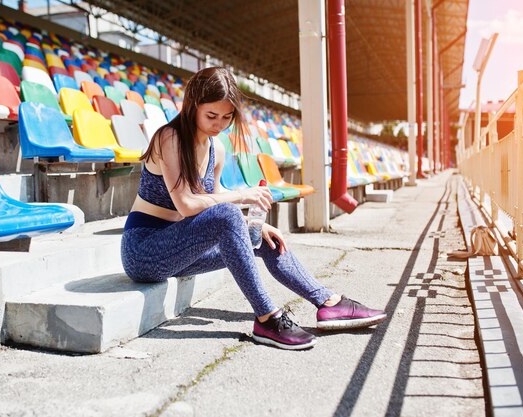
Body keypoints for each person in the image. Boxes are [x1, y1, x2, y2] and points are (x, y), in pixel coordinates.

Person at [121, 67, 386, 350]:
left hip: (182, 247)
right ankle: (267, 318)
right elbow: (187, 205)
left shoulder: (215, 148)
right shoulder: (169, 138)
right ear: (192, 106)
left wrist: (255, 226)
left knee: (265, 239)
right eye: (211, 116)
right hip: (146, 251)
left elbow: (215, 195)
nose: (219, 124)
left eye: (227, 117)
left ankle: (327, 302)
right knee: (229, 214)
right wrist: (243, 197)